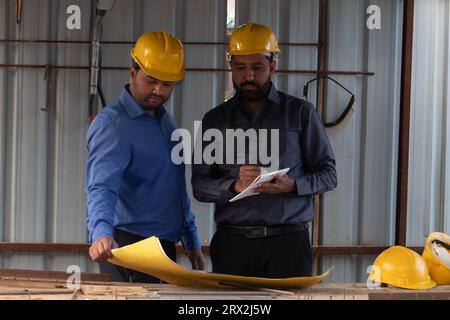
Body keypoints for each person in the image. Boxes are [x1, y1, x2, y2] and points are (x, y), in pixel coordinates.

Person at [191, 21, 337, 278]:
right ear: (231, 67)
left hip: (288, 245)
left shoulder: (300, 114)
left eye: (257, 67)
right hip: (232, 246)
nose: (248, 76)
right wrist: (234, 186)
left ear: (272, 66)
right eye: (240, 68)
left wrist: (292, 185)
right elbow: (200, 185)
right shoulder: (215, 120)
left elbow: (328, 174)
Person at [86, 31, 205, 283]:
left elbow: (174, 187)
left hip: (165, 249)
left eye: (167, 84)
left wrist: (191, 238)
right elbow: (102, 186)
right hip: (129, 249)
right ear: (132, 72)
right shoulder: (113, 125)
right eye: (151, 80)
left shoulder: (167, 123)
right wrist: (100, 233)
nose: (159, 90)